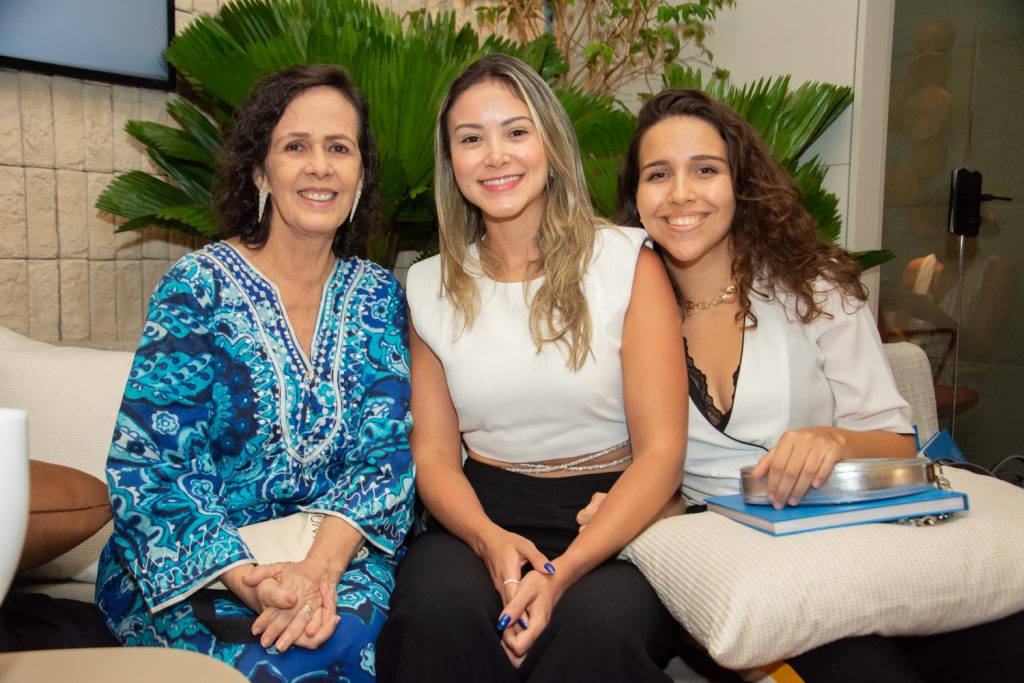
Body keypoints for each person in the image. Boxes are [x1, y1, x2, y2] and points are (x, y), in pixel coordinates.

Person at [602, 86, 1023, 683]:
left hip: (861, 551)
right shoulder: (615, 312)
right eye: (657, 174)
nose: (681, 194)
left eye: (705, 170)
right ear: (635, 197)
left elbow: (899, 442)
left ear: (740, 183)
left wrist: (835, 440)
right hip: (750, 579)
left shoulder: (813, 286)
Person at [96, 64, 414, 683]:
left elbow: (385, 464)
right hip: (201, 567)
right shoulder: (197, 289)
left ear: (360, 174)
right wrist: (250, 580)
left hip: (336, 557)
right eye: (295, 146)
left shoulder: (376, 295)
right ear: (260, 171)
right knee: (274, 663)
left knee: (341, 639)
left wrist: (319, 571)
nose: (320, 166)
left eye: (339, 148)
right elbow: (150, 469)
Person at [375, 54, 687, 682]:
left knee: (594, 633)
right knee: (436, 608)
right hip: (478, 513)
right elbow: (434, 457)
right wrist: (491, 542)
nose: (496, 156)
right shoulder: (430, 284)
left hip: (610, 515)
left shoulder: (629, 262)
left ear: (549, 141)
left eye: (516, 131)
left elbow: (661, 455)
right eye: (471, 139)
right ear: (451, 162)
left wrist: (558, 573)